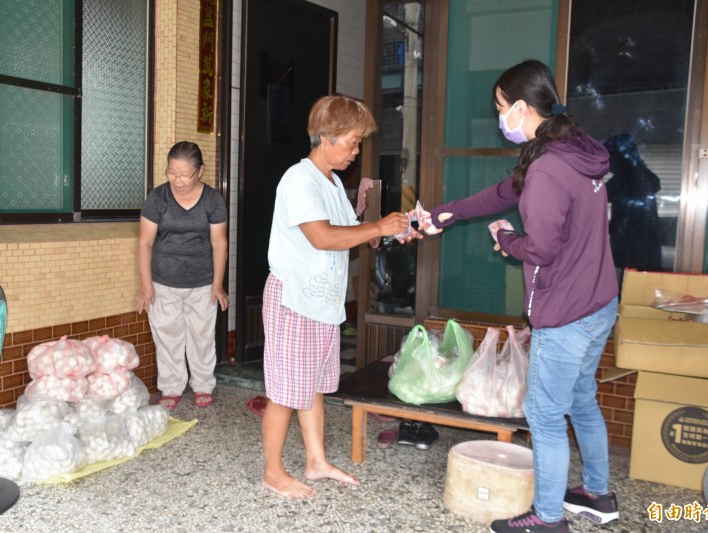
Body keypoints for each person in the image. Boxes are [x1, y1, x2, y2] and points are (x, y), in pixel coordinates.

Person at [426, 60, 620, 533]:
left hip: (567, 312)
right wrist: (443, 214)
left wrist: (507, 239)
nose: (499, 119)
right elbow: (500, 192)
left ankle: (549, 519)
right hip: (599, 302)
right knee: (582, 399)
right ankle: (598, 495)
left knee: (545, 415)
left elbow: (541, 249)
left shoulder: (548, 169)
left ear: (518, 106)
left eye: (499, 108)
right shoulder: (574, 150)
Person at [262, 95, 421, 499]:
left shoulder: (332, 183)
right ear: (327, 136)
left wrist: (390, 232)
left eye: (358, 142)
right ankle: (273, 471)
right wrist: (377, 227)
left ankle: (315, 462)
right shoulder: (300, 179)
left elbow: (352, 236)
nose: (355, 150)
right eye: (352, 141)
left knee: (311, 385)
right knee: (285, 391)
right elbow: (323, 237)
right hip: (293, 299)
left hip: (320, 304)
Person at [135, 141, 229, 411]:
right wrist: (146, 286)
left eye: (184, 174)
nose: (177, 180)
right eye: (171, 173)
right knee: (167, 335)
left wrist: (218, 285)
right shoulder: (158, 198)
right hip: (163, 280)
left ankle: (202, 384)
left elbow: (219, 243)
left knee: (201, 336)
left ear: (199, 171)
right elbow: (144, 243)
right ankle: (172, 386)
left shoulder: (212, 200)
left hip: (202, 282)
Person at [604, 133, 663, 280]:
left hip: (630, 239)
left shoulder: (625, 178)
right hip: (644, 239)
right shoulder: (640, 174)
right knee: (638, 279)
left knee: (630, 281)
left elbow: (599, 196)